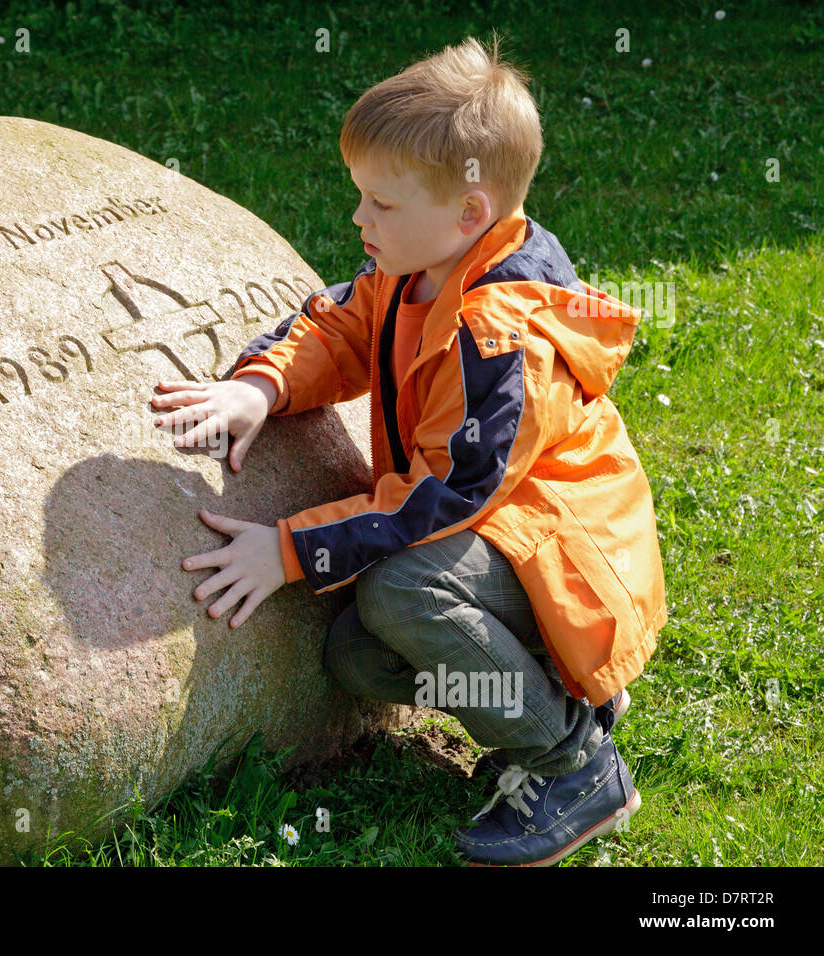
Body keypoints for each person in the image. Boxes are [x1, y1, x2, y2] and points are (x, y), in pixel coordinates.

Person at [149, 33, 667, 866]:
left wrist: (290, 551)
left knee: (401, 596)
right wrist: (263, 386)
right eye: (360, 196)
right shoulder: (419, 267)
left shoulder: (501, 341)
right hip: (507, 546)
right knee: (359, 657)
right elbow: (342, 324)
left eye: (379, 203)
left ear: (468, 213)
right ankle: (550, 700)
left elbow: (441, 498)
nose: (359, 219)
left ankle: (574, 765)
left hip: (563, 560)